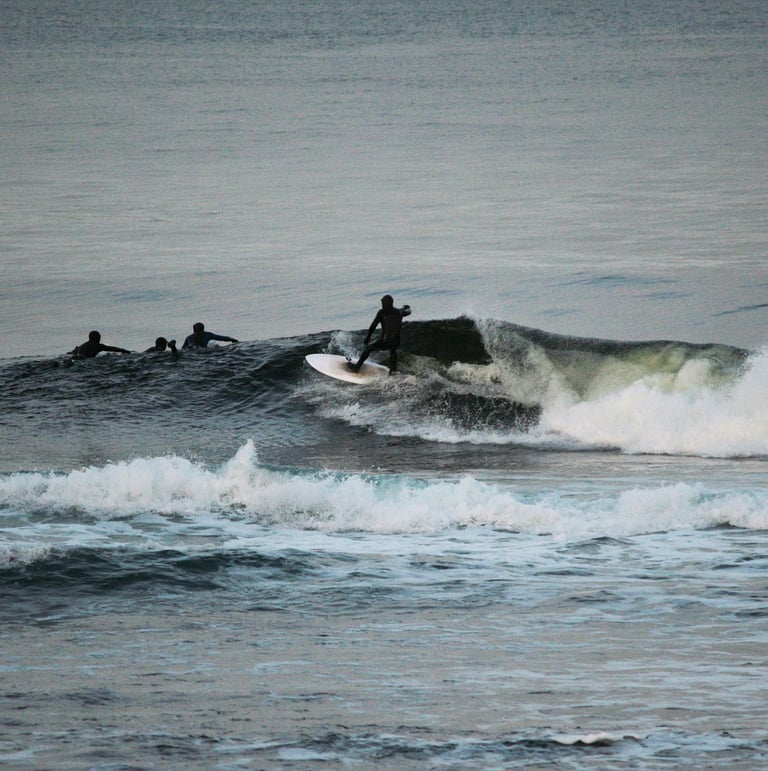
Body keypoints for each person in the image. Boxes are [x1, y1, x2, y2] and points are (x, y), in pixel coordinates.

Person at [349, 295, 411, 374]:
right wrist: (407, 307)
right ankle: (393, 370)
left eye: (383, 303)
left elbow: (373, 326)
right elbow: (408, 311)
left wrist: (368, 337)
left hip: (386, 341)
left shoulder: (382, 312)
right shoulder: (399, 312)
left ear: (387, 303)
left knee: (368, 349)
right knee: (393, 350)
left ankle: (357, 367)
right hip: (396, 342)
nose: (382, 305)